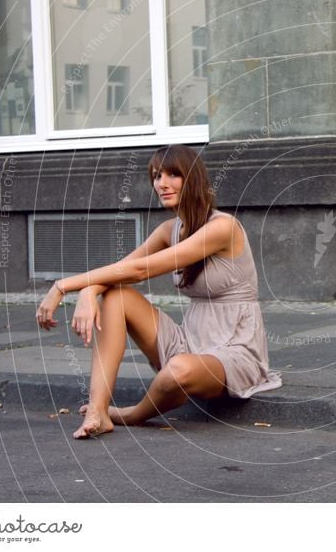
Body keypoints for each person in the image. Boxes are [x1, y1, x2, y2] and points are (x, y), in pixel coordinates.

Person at [35, 144, 282, 439]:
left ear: (193, 179)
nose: (162, 184)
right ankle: (98, 410)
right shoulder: (170, 230)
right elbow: (125, 267)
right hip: (189, 341)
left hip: (236, 350)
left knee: (179, 370)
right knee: (115, 295)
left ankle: (133, 414)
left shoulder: (223, 227)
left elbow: (141, 271)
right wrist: (90, 291)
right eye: (156, 176)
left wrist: (63, 285)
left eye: (173, 175)